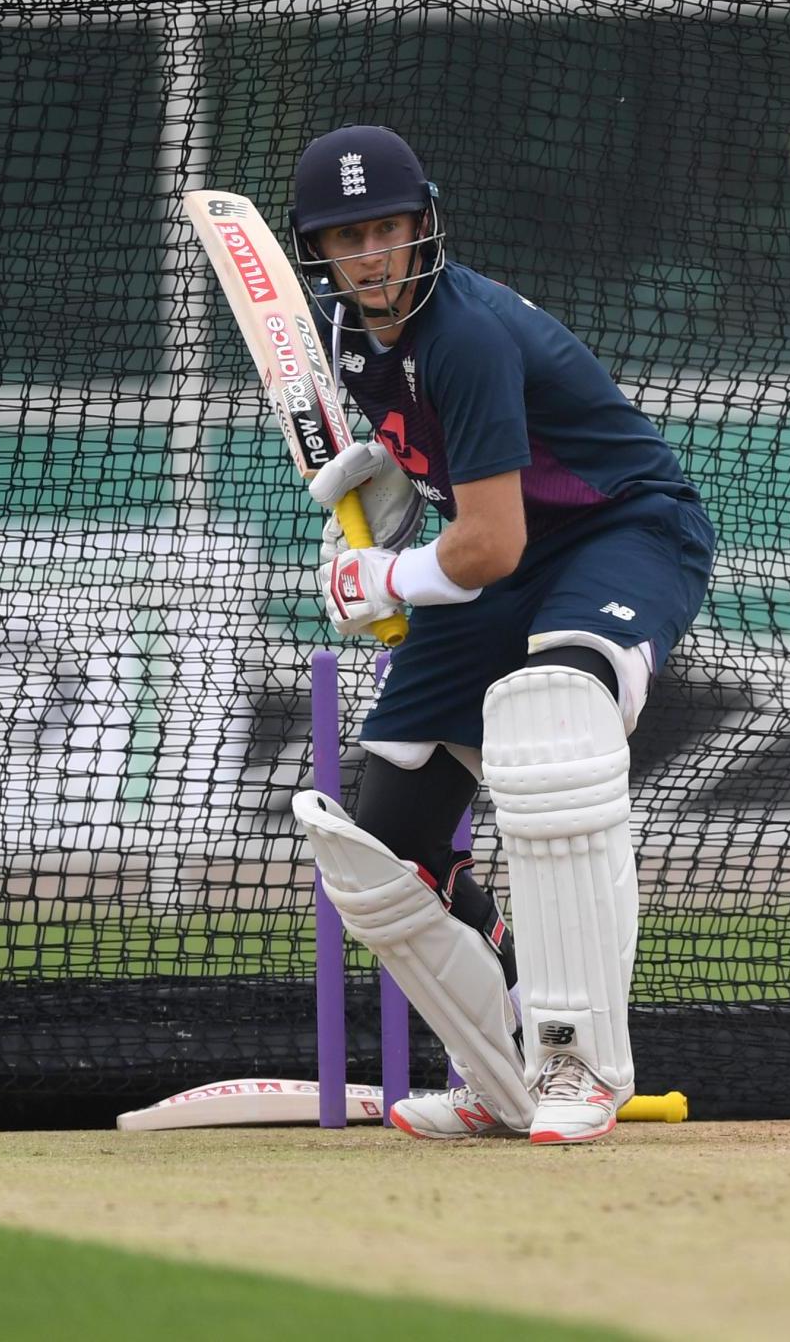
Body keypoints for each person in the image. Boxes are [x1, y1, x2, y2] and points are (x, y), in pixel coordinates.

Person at [283, 125, 715, 1146]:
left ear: (423, 224)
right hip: (512, 550)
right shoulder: (347, 335)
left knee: (557, 711)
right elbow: (457, 480)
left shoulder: (463, 335)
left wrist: (383, 573)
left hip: (621, 528)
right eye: (349, 240)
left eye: (387, 230)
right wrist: (394, 480)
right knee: (387, 832)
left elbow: (486, 541)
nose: (373, 257)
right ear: (323, 254)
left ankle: (582, 1066)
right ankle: (501, 1076)